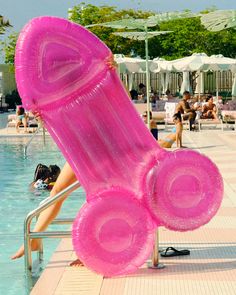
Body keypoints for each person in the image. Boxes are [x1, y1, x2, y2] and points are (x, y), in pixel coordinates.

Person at [11, 54, 118, 263]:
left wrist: (114, 71)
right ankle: (36, 239)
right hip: (80, 149)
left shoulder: (93, 86)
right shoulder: (63, 93)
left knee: (95, 198)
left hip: (101, 148)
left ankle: (90, 250)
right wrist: (44, 117)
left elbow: (115, 97)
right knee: (59, 191)